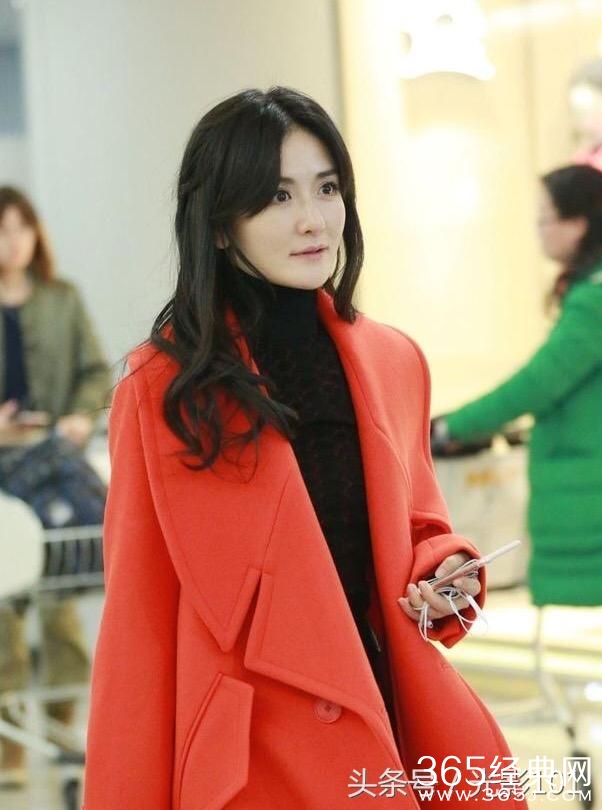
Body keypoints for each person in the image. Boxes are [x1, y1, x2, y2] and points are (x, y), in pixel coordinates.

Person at [83, 87, 526, 810]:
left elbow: (419, 530)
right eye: (277, 197)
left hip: (388, 723)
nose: (313, 220)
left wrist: (443, 572)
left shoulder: (393, 361)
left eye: (327, 189)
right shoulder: (164, 391)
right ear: (219, 225)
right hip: (258, 760)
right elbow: (138, 632)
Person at [434, 164, 602, 608]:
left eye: (546, 219)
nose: (539, 232)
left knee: (575, 643)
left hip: (585, 501)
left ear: (579, 223)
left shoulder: (594, 300)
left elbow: (535, 385)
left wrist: (452, 427)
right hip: (583, 493)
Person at [0, 186, 110, 789]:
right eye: (2, 228)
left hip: (54, 470)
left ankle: (65, 735)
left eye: (22, 227)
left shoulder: (61, 298)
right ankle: (11, 749)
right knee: (3, 616)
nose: (12, 241)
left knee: (61, 610)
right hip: (2, 473)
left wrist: (77, 417)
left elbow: (95, 372)